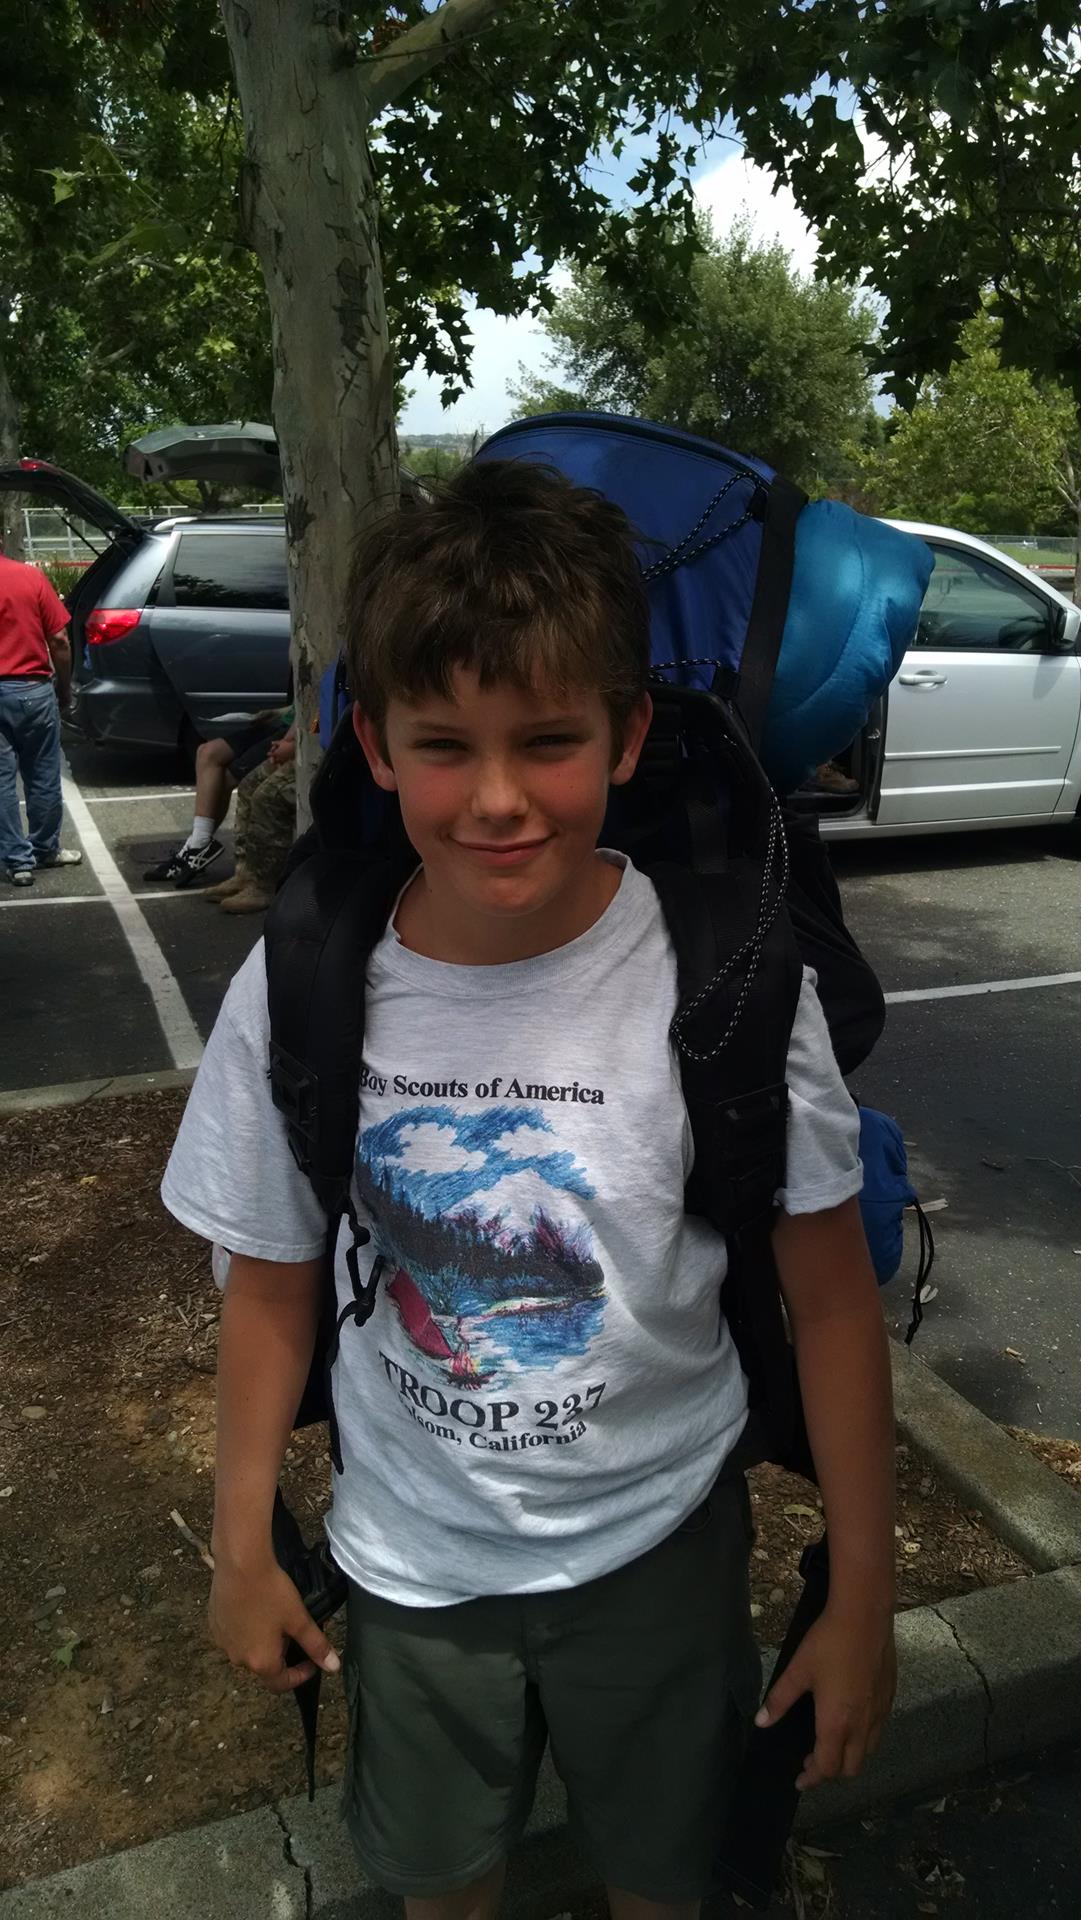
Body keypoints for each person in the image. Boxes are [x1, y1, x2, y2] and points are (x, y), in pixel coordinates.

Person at [161, 463, 896, 1919]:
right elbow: (273, 1283)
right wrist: (242, 1541)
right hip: (412, 1562)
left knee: (668, 1880)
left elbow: (829, 1303)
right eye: (444, 745)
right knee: (440, 1886)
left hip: (662, 1544)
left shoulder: (731, 980)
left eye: (549, 740)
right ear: (376, 746)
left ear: (627, 734)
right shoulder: (303, 980)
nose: (497, 798)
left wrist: (861, 1590)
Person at [0, 549, 84, 885]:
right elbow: (59, 640)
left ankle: (17, 861)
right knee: (43, 773)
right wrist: (65, 688)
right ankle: (45, 849)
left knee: (1, 781)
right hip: (32, 689)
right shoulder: (30, 577)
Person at [143, 702, 293, 887]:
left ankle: (226, 861)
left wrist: (292, 742)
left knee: (226, 779)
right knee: (207, 753)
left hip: (293, 732)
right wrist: (281, 711)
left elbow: (316, 713)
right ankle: (197, 843)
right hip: (284, 724)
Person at [204, 726, 298, 914]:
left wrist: (293, 747)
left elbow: (321, 721)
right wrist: (287, 741)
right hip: (301, 743)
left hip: (318, 752)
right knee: (248, 786)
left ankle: (264, 886)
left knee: (268, 797)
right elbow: (304, 715)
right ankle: (246, 873)